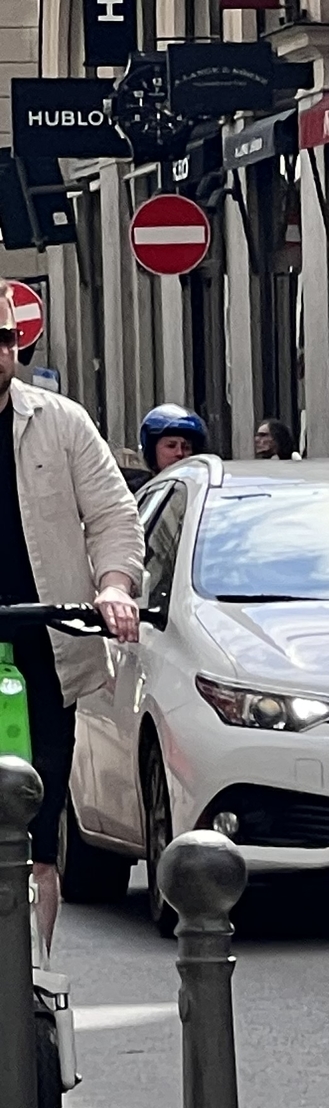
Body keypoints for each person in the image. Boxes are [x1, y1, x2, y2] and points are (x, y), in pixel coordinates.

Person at [1, 320, 146, 954]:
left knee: (38, 818)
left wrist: (113, 586)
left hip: (44, 649)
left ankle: (33, 975)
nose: (0, 351)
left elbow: (113, 516)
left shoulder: (60, 424)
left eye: (5, 337)